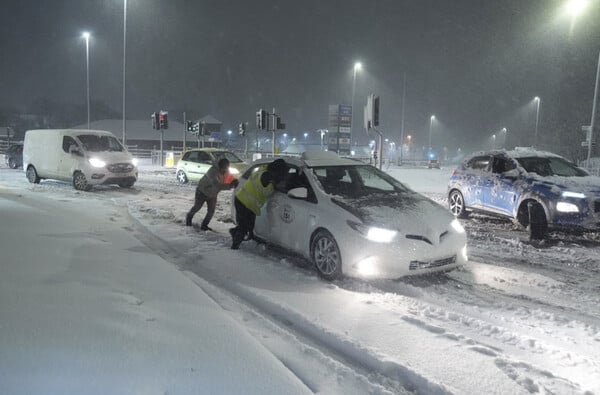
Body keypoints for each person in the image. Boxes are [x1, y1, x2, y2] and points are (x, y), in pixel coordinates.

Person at [230, 158, 287, 249]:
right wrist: (275, 185)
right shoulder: (268, 177)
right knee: (244, 226)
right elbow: (269, 191)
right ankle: (234, 247)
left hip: (243, 201)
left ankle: (234, 232)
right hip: (245, 203)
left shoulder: (263, 170)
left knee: (248, 225)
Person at [186, 158, 239, 230]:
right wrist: (230, 186)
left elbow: (229, 178)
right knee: (197, 207)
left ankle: (204, 225)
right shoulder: (212, 171)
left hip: (213, 194)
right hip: (202, 191)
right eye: (223, 168)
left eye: (226, 168)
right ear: (220, 166)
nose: (225, 170)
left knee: (211, 211)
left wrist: (234, 181)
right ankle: (189, 218)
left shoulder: (226, 171)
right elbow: (216, 184)